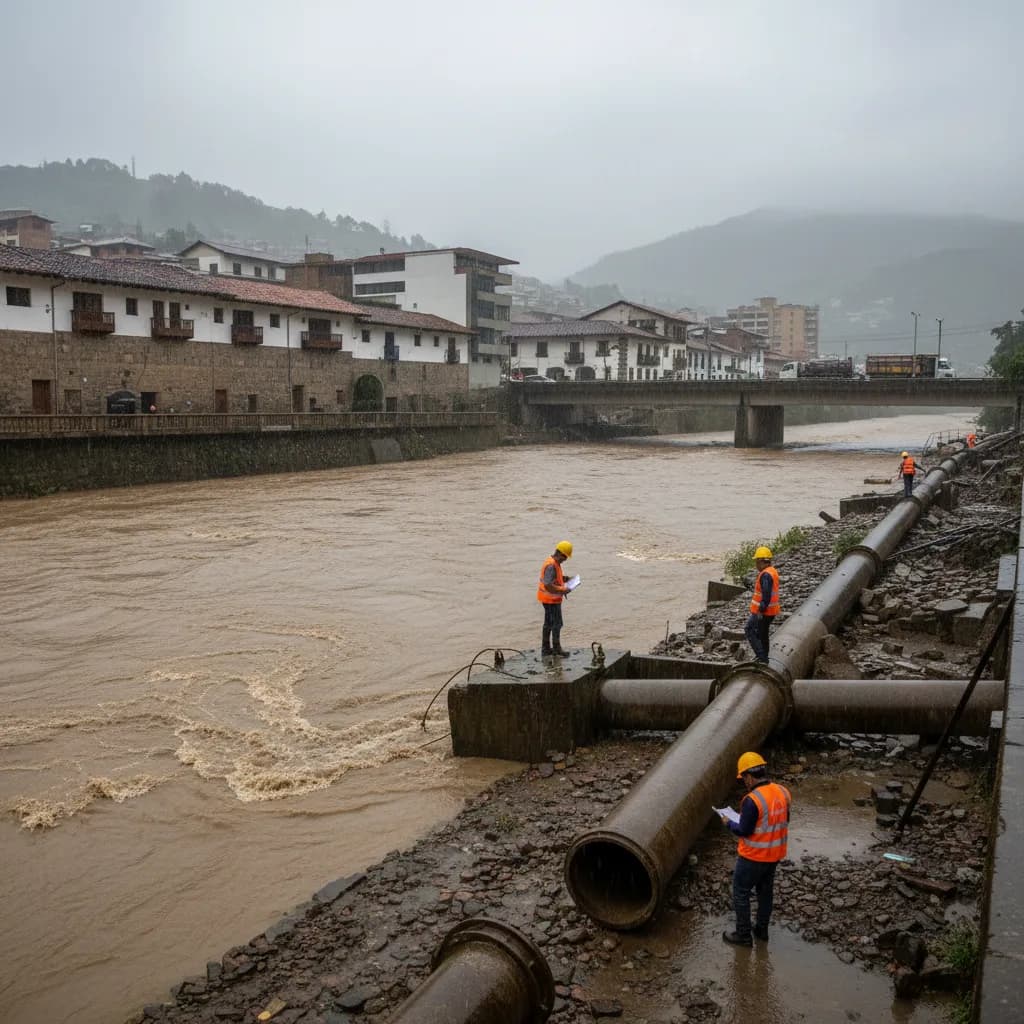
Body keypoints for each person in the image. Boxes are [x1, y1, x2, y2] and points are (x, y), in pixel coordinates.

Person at [722, 751, 792, 947]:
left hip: (753, 857)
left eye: (743, 778)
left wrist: (728, 822)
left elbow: (743, 830)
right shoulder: (783, 791)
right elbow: (784, 820)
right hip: (774, 855)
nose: (744, 782)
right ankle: (762, 931)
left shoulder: (752, 800)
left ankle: (744, 936)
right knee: (765, 893)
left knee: (741, 892)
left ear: (749, 777)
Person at [744, 546, 779, 664]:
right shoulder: (772, 571)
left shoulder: (766, 575)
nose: (756, 565)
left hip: (763, 611)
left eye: (756, 562)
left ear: (761, 561)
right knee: (762, 634)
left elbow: (766, 595)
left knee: (749, 629)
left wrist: (760, 610)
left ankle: (762, 657)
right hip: (771, 611)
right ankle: (763, 656)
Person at [538, 540, 573, 657]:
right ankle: (556, 649)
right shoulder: (551, 565)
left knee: (548, 624)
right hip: (551, 600)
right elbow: (548, 585)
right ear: (560, 554)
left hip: (548, 599)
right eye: (565, 557)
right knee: (557, 624)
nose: (565, 560)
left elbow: (553, 579)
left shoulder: (553, 562)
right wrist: (563, 590)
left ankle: (546, 649)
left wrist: (564, 579)